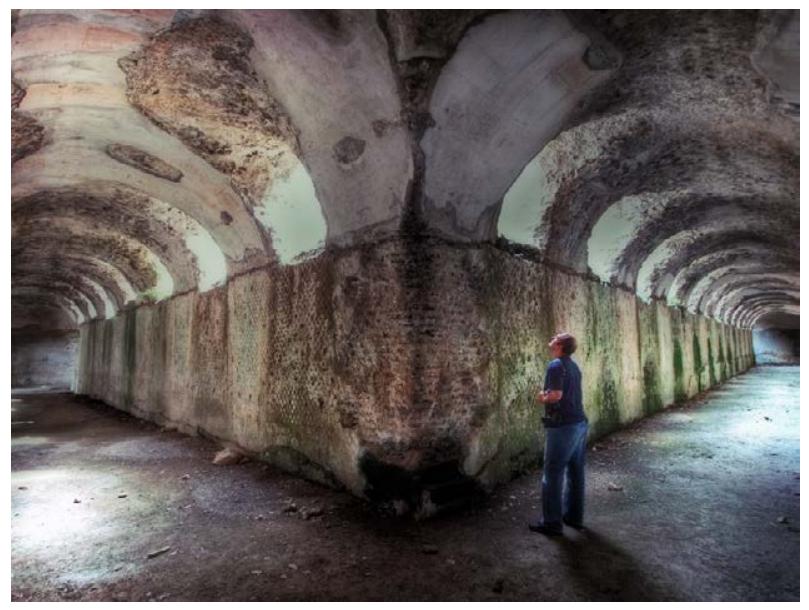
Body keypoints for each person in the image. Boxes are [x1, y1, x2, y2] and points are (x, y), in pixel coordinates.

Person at [529, 332, 589, 536]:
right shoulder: (573, 366)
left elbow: (555, 395)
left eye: (556, 337)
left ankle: (551, 524)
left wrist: (541, 397)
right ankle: (574, 517)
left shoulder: (556, 365)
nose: (552, 337)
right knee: (575, 471)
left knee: (552, 474)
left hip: (563, 426)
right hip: (579, 423)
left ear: (560, 345)